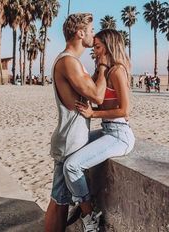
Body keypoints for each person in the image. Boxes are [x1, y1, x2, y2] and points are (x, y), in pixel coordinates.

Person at [63, 29, 135, 231]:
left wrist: (92, 114)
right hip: (107, 131)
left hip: (120, 135)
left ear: (109, 46)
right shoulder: (105, 70)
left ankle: (89, 216)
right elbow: (99, 99)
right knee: (70, 148)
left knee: (72, 166)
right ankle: (79, 198)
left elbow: (125, 110)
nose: (93, 51)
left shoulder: (117, 71)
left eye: (97, 47)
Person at [45, 13, 108, 232]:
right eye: (90, 30)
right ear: (80, 33)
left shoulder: (73, 62)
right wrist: (102, 66)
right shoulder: (68, 62)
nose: (93, 35)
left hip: (72, 140)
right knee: (58, 201)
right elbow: (97, 96)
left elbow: (91, 97)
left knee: (60, 201)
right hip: (68, 141)